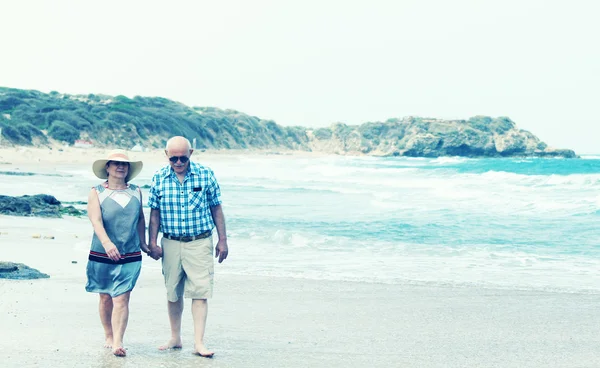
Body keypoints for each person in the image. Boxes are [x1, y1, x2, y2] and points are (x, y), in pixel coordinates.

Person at [147, 136, 228, 358]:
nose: (179, 162)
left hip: (200, 242)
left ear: (191, 153)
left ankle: (199, 343)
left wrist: (223, 239)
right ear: (167, 156)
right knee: (173, 292)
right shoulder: (159, 178)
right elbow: (154, 213)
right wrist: (152, 242)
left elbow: (216, 208)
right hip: (171, 242)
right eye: (174, 159)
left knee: (200, 292)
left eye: (183, 157)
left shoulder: (205, 174)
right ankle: (175, 337)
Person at [85, 149, 149, 357]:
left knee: (122, 297)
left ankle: (118, 342)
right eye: (115, 164)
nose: (120, 167)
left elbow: (140, 219)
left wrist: (145, 244)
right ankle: (108, 335)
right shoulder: (96, 192)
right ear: (107, 168)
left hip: (130, 253)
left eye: (124, 164)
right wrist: (107, 243)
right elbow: (96, 220)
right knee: (105, 297)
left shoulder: (137, 191)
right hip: (102, 253)